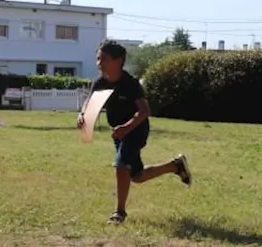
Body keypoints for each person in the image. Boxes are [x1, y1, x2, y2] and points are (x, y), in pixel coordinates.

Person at [78, 40, 190, 223]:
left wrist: (127, 127)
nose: (99, 63)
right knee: (136, 176)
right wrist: (82, 115)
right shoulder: (100, 83)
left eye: (103, 59)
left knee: (121, 166)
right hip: (119, 133)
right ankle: (175, 166)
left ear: (118, 60)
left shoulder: (130, 84)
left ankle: (119, 212)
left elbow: (145, 111)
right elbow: (89, 103)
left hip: (136, 129)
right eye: (98, 59)